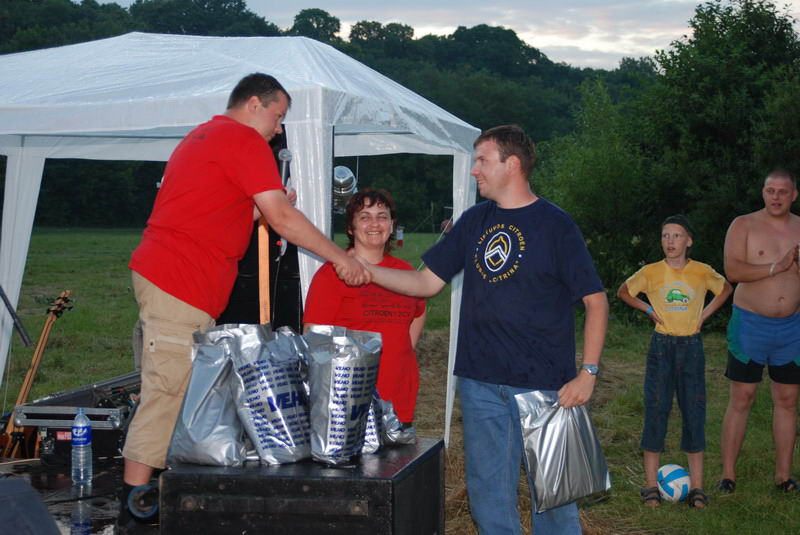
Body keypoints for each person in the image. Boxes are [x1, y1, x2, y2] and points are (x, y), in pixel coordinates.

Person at [117, 73, 370, 533]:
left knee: (178, 388)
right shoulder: (244, 140)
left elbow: (219, 210)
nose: (279, 128)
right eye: (278, 116)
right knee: (167, 388)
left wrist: (261, 206)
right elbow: (283, 219)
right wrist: (340, 258)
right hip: (178, 279)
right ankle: (133, 507)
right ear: (255, 104)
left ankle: (154, 494)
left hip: (176, 277)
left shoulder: (206, 135)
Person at [362, 124, 608, 534]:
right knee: (488, 498)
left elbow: (595, 301)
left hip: (545, 386)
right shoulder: (474, 221)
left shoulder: (555, 225)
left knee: (555, 500)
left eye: (482, 160)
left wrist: (589, 372)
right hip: (480, 383)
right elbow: (426, 282)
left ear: (512, 165)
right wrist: (367, 270)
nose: (474, 169)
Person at [617, 215, 732, 509]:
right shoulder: (651, 271)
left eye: (676, 236)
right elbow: (624, 291)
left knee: (694, 410)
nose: (670, 241)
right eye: (665, 235)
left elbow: (726, 289)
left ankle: (697, 488)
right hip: (662, 347)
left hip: (691, 347)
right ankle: (650, 486)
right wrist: (648, 309)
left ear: (688, 241)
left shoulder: (701, 271)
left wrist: (704, 315)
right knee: (656, 409)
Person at [303, 188, 426, 426]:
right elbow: (314, 337)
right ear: (351, 228)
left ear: (392, 225)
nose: (375, 224)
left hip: (398, 399)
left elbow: (418, 313)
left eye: (382, 216)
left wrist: (401, 353)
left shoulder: (405, 272)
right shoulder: (332, 274)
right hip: (351, 404)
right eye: (365, 217)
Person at [719, 169, 800, 493]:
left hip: (792, 327)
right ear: (763, 193)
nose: (776, 197)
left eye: (783, 191)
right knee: (742, 396)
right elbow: (732, 270)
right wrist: (777, 266)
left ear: (794, 195)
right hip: (750, 324)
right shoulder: (744, 225)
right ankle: (728, 475)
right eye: (770, 190)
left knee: (787, 398)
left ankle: (783, 476)